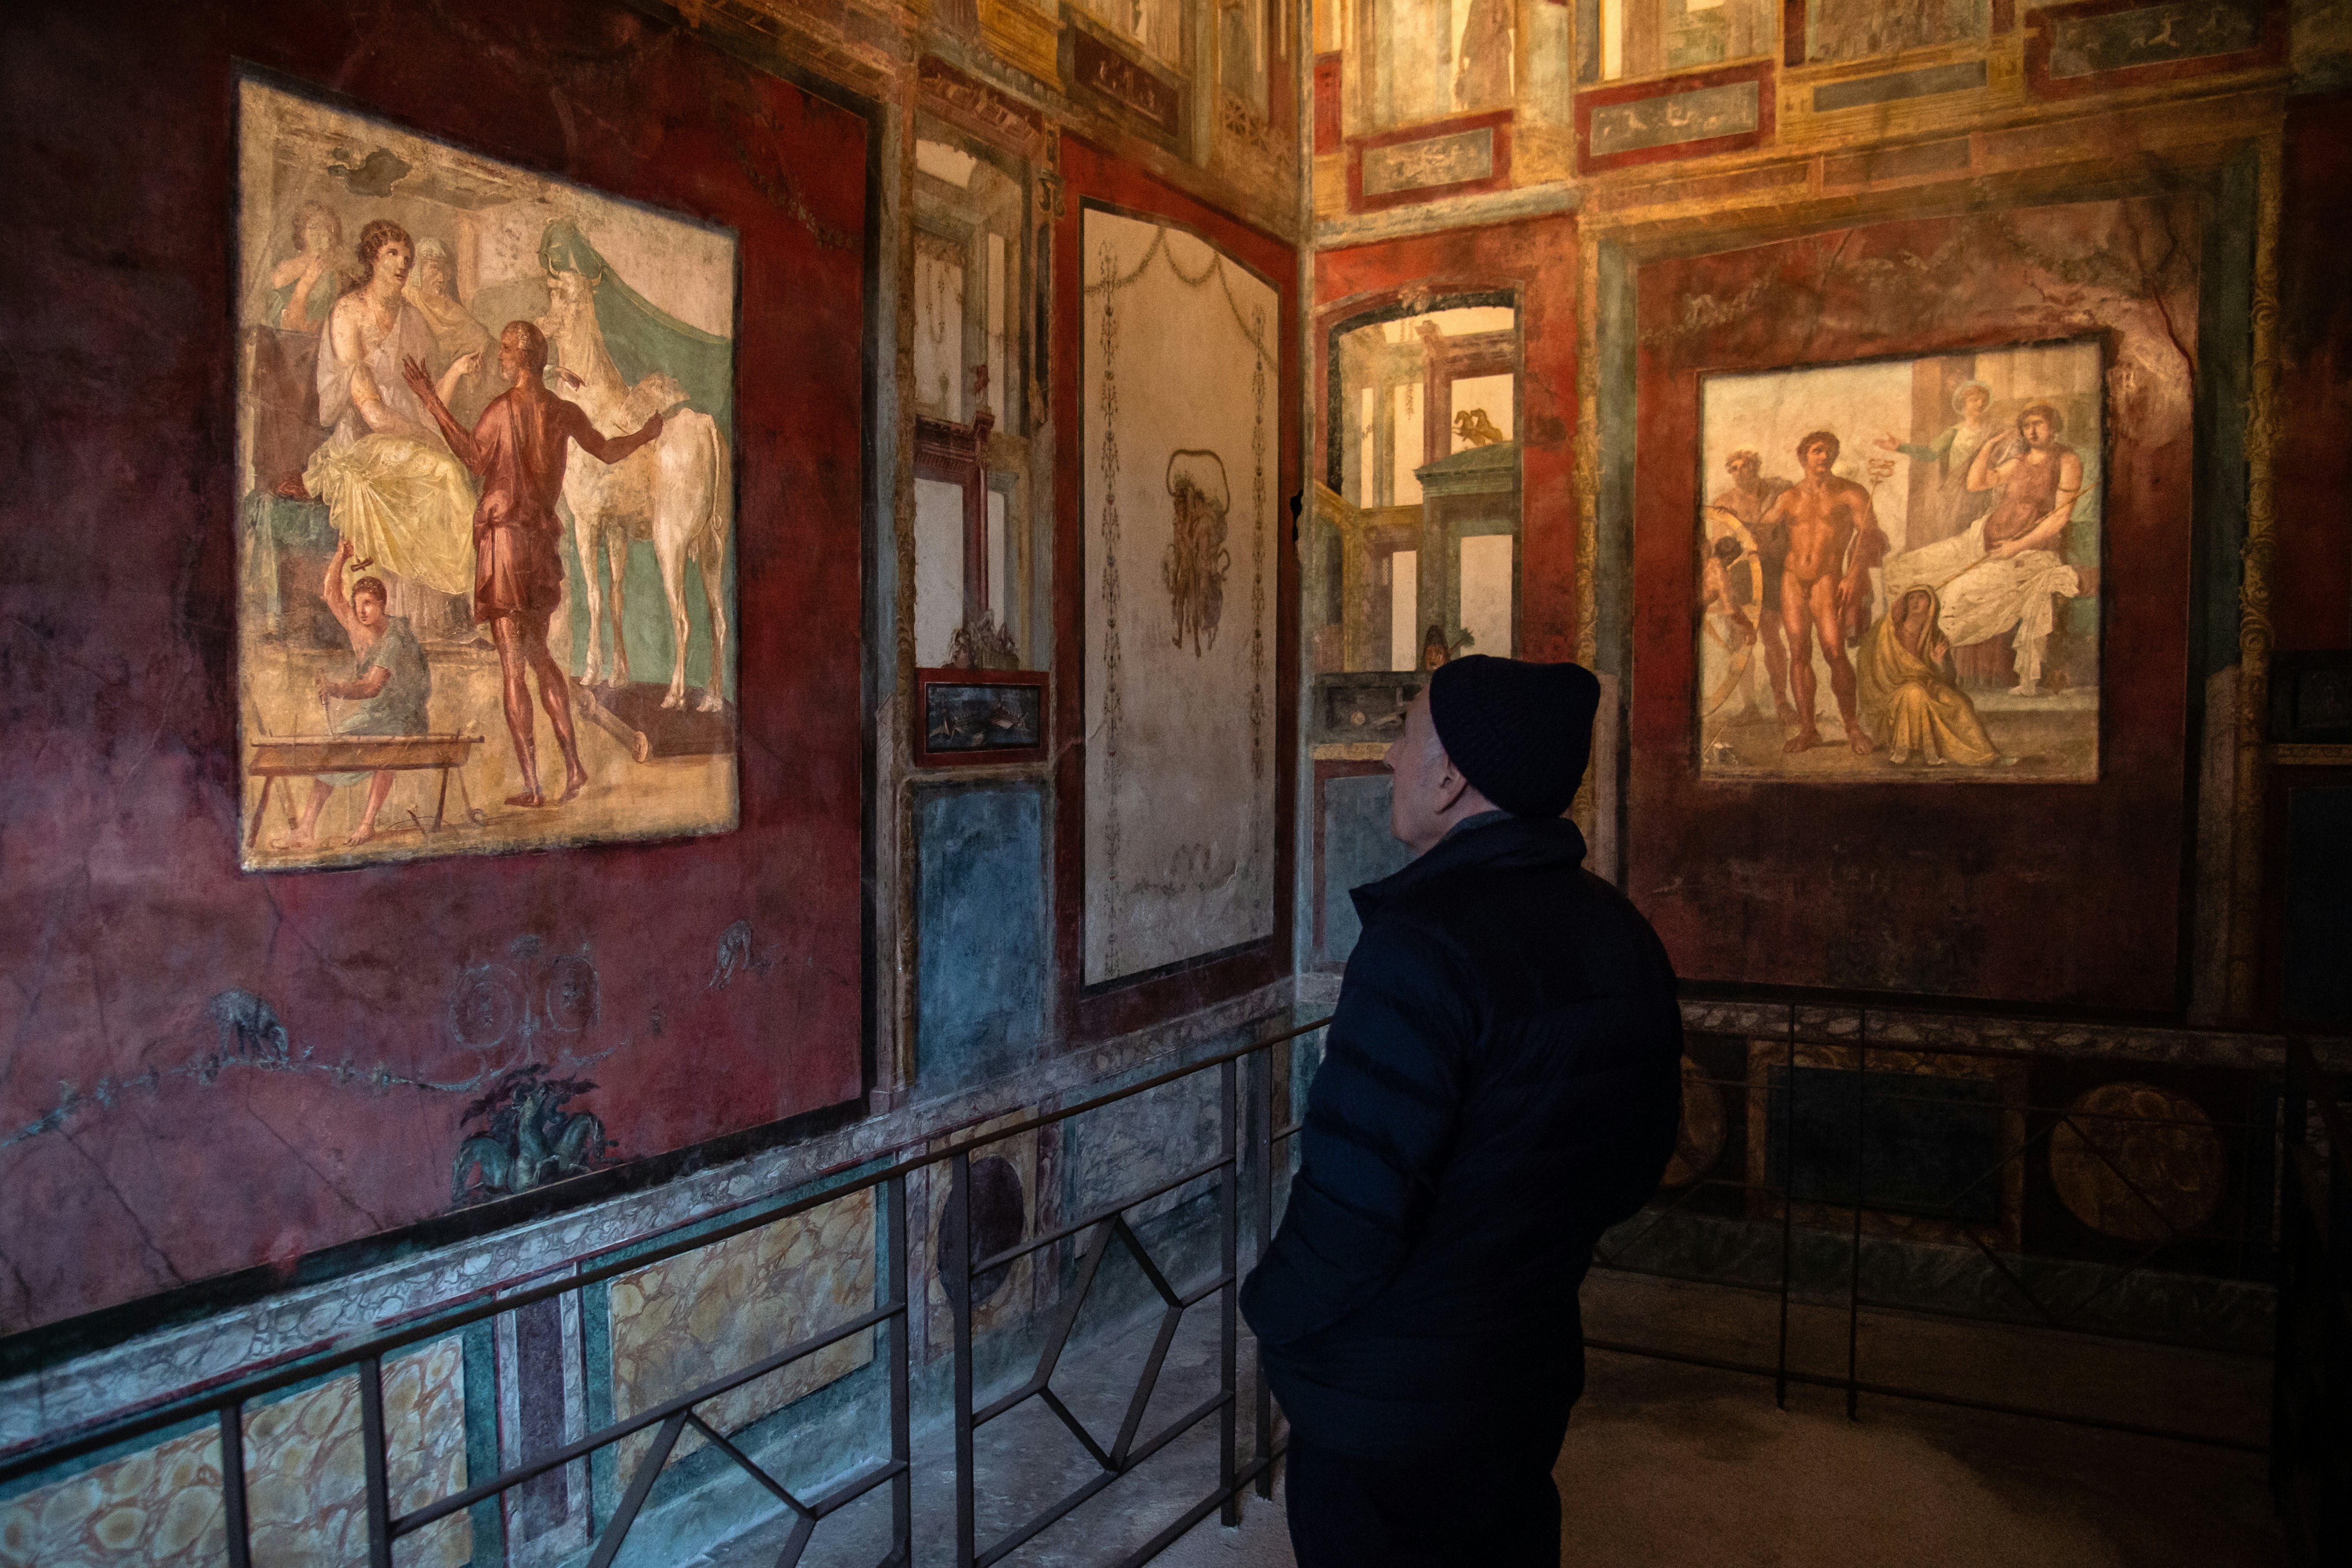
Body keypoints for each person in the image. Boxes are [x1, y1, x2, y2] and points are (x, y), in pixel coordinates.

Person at [1242, 655, 1683, 1568]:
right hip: (1523, 1370)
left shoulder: (1421, 948)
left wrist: (1272, 1312)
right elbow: (1636, 1163)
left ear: (1448, 778)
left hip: (1392, 1404)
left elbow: (1350, 1210)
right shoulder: (1616, 929)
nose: (1388, 759)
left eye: (1403, 735)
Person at [402, 320, 662, 807]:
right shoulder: (562, 412)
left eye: (504, 350)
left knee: (512, 669)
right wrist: (646, 434)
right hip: (540, 547)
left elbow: (474, 460)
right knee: (541, 658)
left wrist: (430, 400)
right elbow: (606, 450)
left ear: (522, 357)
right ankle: (575, 767)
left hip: (504, 546)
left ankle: (533, 787)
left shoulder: (502, 410)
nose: (499, 357)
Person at [282, 220, 481, 620]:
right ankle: (467, 600)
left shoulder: (417, 324)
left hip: (406, 441)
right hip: (360, 445)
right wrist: (430, 438)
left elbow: (427, 404)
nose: (402, 264)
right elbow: (372, 413)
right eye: (393, 254)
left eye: (407, 258)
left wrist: (457, 371)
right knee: (444, 470)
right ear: (373, 258)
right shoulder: (348, 313)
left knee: (448, 471)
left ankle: (466, 602)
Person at [1884, 403, 2084, 697]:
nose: (2031, 430)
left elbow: (2060, 517)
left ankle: (1934, 673)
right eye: (2026, 425)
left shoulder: (2066, 461)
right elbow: (1976, 483)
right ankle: (1900, 660)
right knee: (1909, 567)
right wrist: (1989, 445)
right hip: (1978, 542)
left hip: (2026, 554)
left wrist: (2016, 546)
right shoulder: (2018, 461)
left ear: (2053, 427)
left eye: (2039, 424)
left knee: (1953, 596)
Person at [275, 538, 432, 849]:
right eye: (358, 603)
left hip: (405, 717)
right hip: (377, 714)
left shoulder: (394, 637)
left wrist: (335, 688)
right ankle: (306, 829)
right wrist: (341, 555)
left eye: (369, 604)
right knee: (332, 751)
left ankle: (367, 824)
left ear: (382, 605)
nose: (361, 610)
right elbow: (330, 593)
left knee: (384, 751)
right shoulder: (358, 628)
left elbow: (373, 686)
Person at [1756, 431, 1885, 754]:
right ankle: (1808, 729)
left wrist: (1853, 575)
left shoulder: (1850, 493)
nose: (1823, 457)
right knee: (1799, 652)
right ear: (1803, 457)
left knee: (1833, 651)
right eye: (1816, 451)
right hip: (1791, 579)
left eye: (1829, 451)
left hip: (1828, 579)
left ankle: (1852, 727)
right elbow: (1760, 530)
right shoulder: (1788, 497)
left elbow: (1870, 537)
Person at [1859, 587, 2006, 767]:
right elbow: (1878, 671)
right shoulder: (1891, 633)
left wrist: (1938, 662)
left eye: (1921, 597)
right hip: (1893, 692)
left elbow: (1950, 679)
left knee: (1960, 703)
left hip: (1930, 686)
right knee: (1914, 692)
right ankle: (1913, 752)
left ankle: (1987, 756)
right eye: (1911, 597)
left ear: (1931, 605)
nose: (1915, 602)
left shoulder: (1936, 636)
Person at [1709, 450, 1798, 724]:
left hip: (1771, 572)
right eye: (1733, 469)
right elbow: (1720, 546)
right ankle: (1750, 706)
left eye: (1744, 467)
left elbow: (1789, 535)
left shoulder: (1777, 494)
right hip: (1741, 576)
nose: (1739, 473)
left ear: (1756, 468)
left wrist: (1768, 547)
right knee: (1740, 640)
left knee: (1772, 635)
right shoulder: (1725, 503)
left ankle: (1781, 702)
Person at [1874, 379, 1997, 544]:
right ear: (1963, 405)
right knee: (1958, 538)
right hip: (1958, 492)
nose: (1980, 404)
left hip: (1984, 489)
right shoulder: (1954, 432)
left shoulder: (1995, 430)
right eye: (1974, 400)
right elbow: (1930, 454)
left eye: (1984, 400)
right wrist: (1900, 447)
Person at [266, 202, 346, 335]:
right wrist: (306, 283)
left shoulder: (337, 275)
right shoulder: (284, 271)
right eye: (313, 227)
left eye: (326, 228)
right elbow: (282, 325)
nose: (319, 234)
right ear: (302, 233)